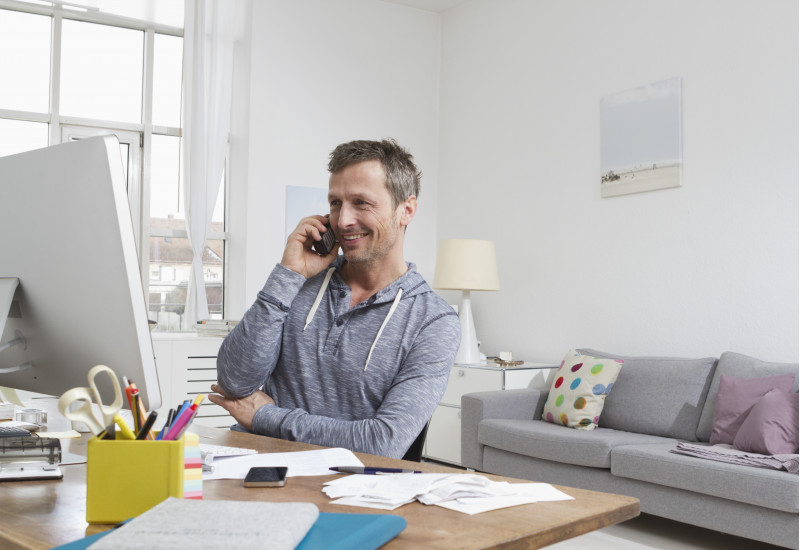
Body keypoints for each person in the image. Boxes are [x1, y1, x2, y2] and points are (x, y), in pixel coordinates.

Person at [209, 139, 461, 459]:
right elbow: (234, 383)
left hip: (342, 488)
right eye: (335, 203)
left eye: (361, 203)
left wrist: (265, 417)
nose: (343, 221)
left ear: (406, 210)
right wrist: (288, 273)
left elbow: (383, 443)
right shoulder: (296, 283)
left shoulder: (434, 322)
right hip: (251, 468)